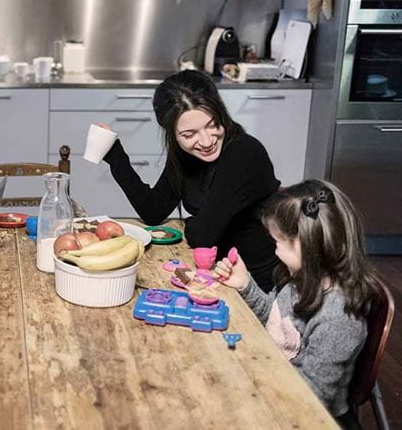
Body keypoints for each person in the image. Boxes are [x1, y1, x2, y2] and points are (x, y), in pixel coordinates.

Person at [212, 180, 381, 428]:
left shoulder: (338, 318)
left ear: (308, 247)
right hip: (276, 384)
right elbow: (278, 319)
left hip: (309, 414)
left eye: (278, 243)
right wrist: (244, 284)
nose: (275, 250)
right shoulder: (299, 279)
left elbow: (310, 397)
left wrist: (249, 376)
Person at [100, 69, 280, 291]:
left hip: (257, 286)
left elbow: (203, 235)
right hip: (216, 273)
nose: (206, 141)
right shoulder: (186, 156)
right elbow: (153, 211)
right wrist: (115, 155)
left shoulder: (244, 154)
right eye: (189, 134)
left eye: (212, 125)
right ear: (172, 134)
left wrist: (197, 224)